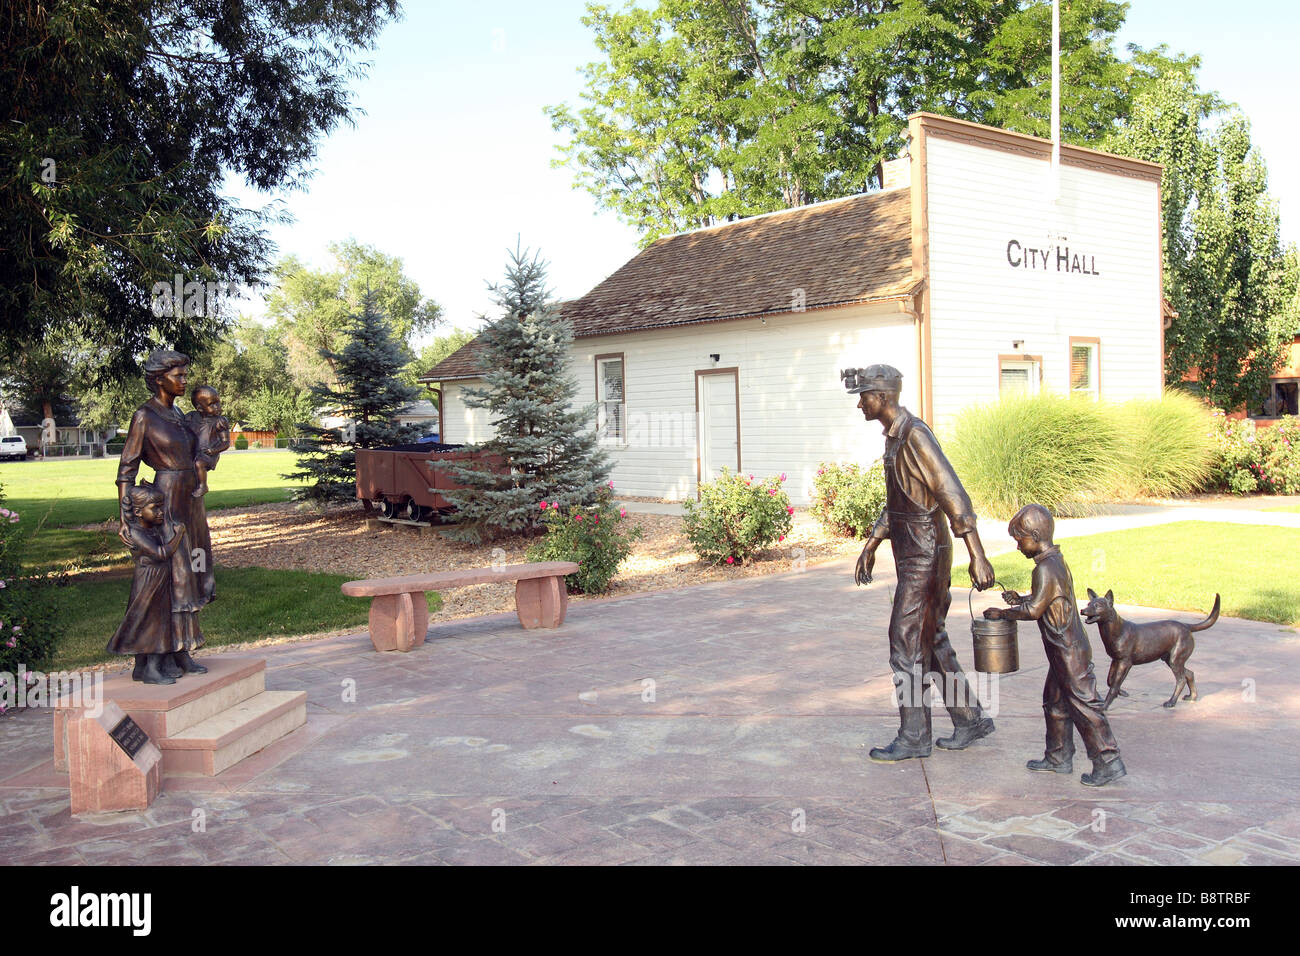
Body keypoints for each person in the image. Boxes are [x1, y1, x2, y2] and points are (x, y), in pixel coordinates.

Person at [847, 364, 996, 761]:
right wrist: (872, 543)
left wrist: (977, 554)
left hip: (926, 554)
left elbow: (952, 493)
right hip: (913, 549)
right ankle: (970, 719)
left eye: (864, 395)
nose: (860, 403)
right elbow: (900, 501)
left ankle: (914, 735)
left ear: (883, 397)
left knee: (905, 642)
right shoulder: (894, 438)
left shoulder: (915, 435)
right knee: (930, 638)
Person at [984, 504, 1126, 787]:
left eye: (1019, 539)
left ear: (1035, 536)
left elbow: (1035, 610)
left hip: (1069, 651)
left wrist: (1004, 613)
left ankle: (1108, 761)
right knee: (1055, 702)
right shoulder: (1052, 563)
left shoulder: (1045, 569)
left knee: (1085, 705)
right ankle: (1059, 755)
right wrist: (1020, 599)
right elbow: (1045, 600)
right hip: (1062, 651)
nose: (1017, 546)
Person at [115, 349, 210, 676]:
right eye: (178, 376)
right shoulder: (145, 416)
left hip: (190, 501)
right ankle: (152, 657)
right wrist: (128, 519)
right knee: (168, 580)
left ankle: (181, 649)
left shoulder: (180, 415)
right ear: (159, 379)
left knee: (191, 578)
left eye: (185, 374)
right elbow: (126, 470)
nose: (184, 381)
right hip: (166, 502)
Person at [106, 483, 187, 685]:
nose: (160, 513)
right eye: (155, 508)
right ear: (138, 512)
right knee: (154, 623)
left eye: (161, 507)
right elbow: (161, 553)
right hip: (149, 583)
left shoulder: (151, 529)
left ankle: (140, 667)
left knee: (150, 621)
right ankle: (152, 669)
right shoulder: (136, 533)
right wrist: (179, 535)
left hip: (158, 580)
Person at [186, 384, 231, 498]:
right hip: (195, 453)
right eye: (212, 404)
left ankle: (203, 486)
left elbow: (226, 442)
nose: (217, 407)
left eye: (218, 402)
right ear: (200, 408)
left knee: (199, 463)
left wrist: (214, 450)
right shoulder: (191, 417)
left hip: (209, 455)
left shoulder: (219, 421)